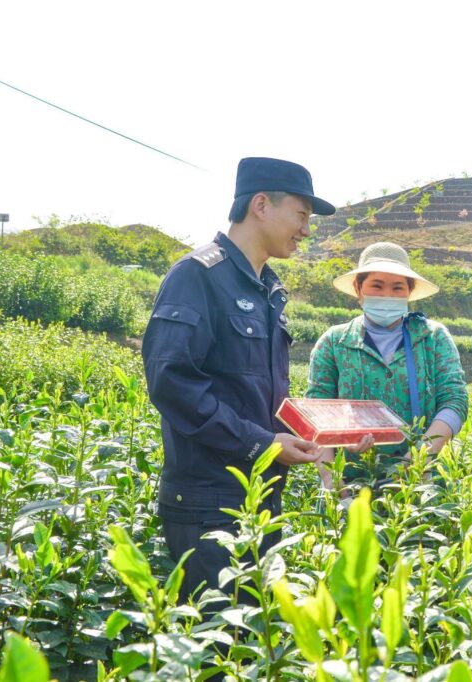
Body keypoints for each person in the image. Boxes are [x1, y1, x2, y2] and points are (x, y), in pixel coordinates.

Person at [142, 157, 335, 603]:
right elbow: (173, 383)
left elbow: (255, 395)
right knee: (217, 653)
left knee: (252, 648)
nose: (307, 229)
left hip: (259, 501)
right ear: (261, 205)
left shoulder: (267, 288)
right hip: (209, 506)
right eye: (302, 215)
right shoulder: (197, 276)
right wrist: (263, 444)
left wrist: (320, 437)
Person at [305, 242, 468, 488]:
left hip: (420, 481)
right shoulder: (334, 342)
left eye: (397, 288)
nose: (387, 296)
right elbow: (316, 414)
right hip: (350, 481)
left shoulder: (432, 338)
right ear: (359, 289)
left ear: (409, 292)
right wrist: (332, 480)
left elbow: (455, 401)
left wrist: (422, 454)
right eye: (377, 286)